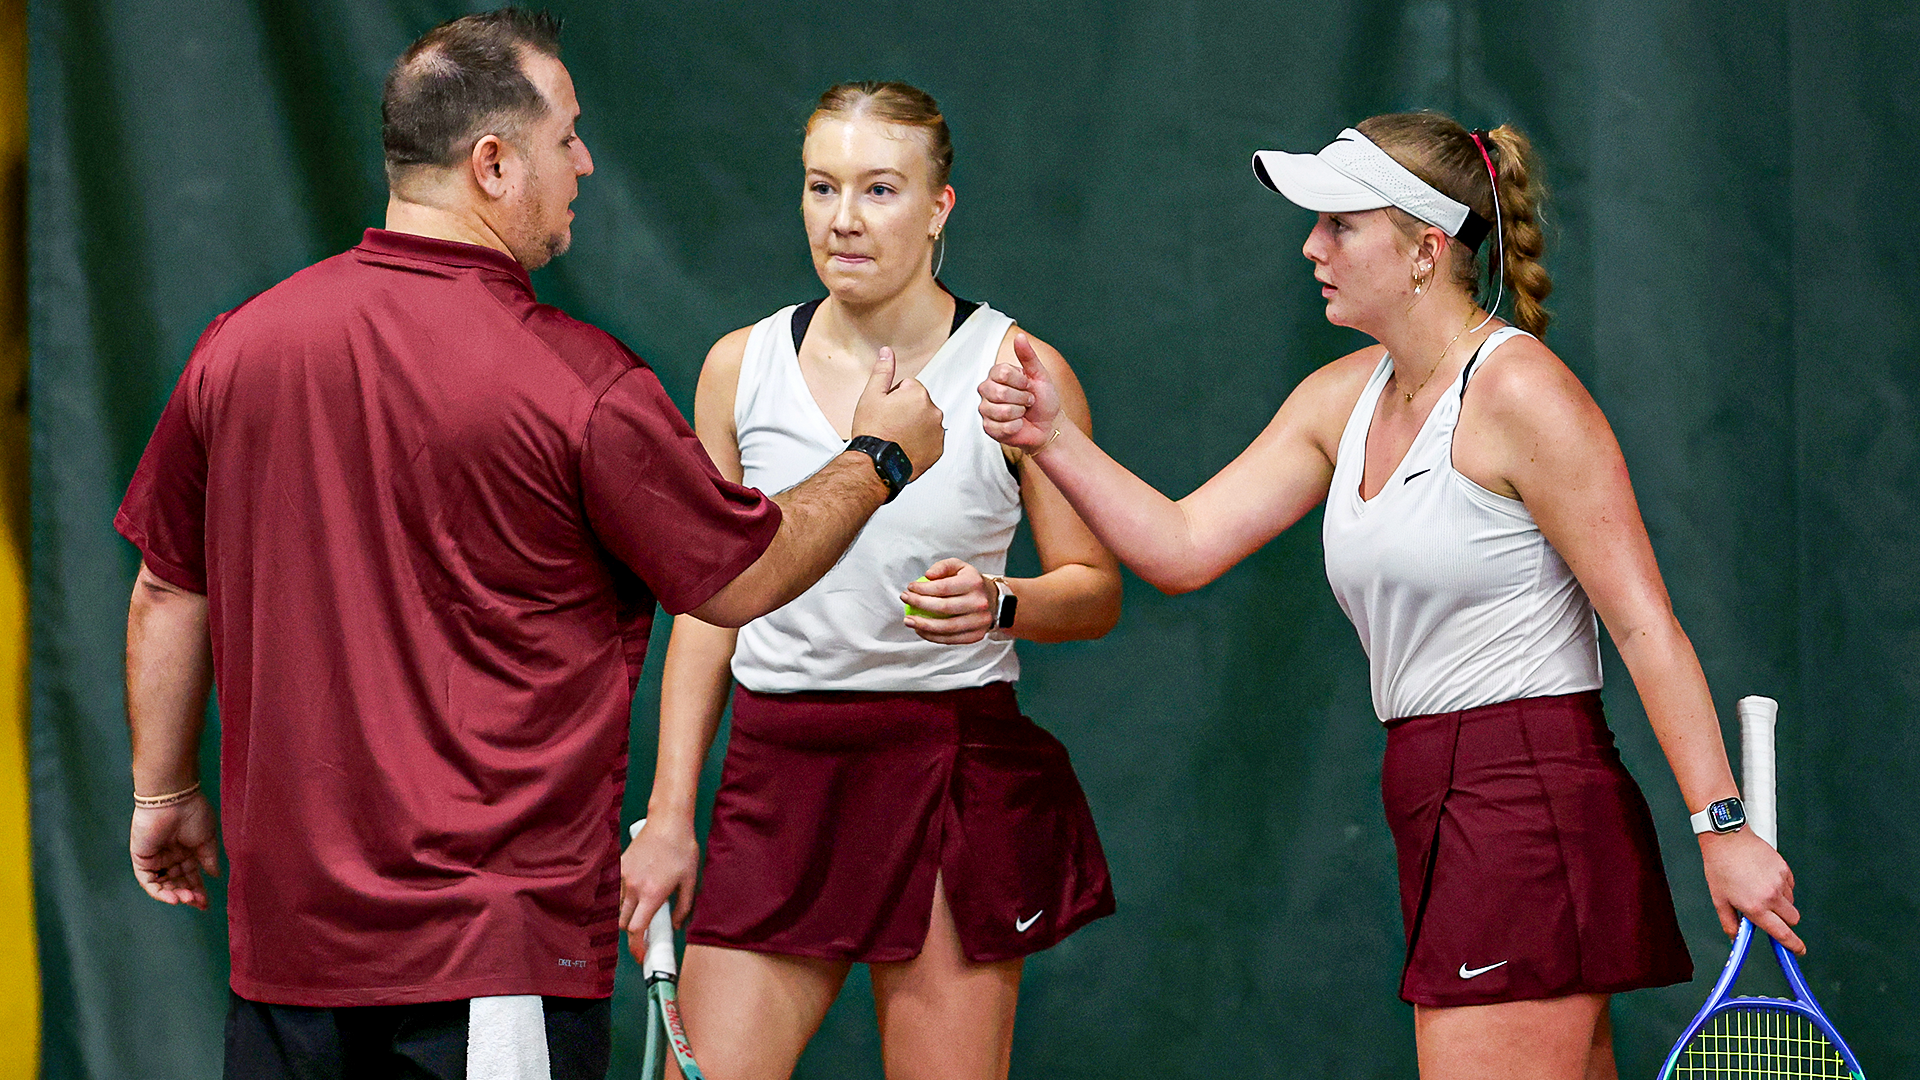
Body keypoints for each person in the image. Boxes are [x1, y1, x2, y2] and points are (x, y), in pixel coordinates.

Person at [116, 12, 944, 1079]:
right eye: (569, 137)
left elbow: (164, 586)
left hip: (285, 965)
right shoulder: (578, 385)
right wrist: (880, 455)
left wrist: (161, 794)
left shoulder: (239, 347)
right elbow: (743, 574)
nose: (587, 163)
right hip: (487, 965)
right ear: (494, 163)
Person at [978, 112, 1801, 1080]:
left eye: (1339, 224)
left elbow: (1642, 623)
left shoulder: (1520, 393)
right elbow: (1184, 545)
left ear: (1423, 248)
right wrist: (1052, 440)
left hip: (1527, 806)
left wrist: (1724, 828)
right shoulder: (1341, 398)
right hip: (1437, 801)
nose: (1310, 246)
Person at [618, 81, 1123, 1080]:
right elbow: (708, 612)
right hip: (778, 777)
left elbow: (1094, 587)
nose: (843, 218)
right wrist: (671, 817)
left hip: (948, 776)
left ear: (939, 208)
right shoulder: (739, 366)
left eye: (880, 189)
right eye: (821, 186)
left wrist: (1002, 604)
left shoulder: (1018, 368)